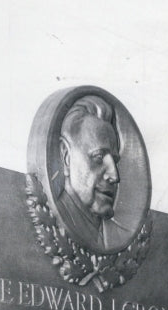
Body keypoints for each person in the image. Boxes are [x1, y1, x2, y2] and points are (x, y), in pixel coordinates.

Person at [56, 95, 132, 253]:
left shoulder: (108, 237)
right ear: (66, 158)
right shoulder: (58, 220)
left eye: (114, 162)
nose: (115, 176)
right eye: (98, 158)